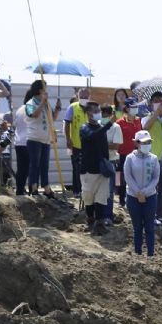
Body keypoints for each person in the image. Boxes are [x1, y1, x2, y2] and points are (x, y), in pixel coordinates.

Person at [79, 103, 117, 235]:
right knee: (89, 198)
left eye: (98, 110)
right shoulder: (84, 128)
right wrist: (109, 125)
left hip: (102, 170)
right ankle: (90, 220)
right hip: (88, 170)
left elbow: (104, 148)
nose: (98, 113)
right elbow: (92, 137)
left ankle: (100, 223)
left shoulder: (101, 128)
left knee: (101, 198)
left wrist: (106, 165)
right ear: (88, 113)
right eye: (95, 111)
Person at [123, 130, 161, 256]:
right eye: (144, 142)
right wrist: (138, 192)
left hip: (150, 196)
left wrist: (145, 191)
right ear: (137, 143)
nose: (147, 144)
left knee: (150, 227)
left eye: (149, 142)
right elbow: (127, 176)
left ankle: (151, 253)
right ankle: (138, 253)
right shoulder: (130, 158)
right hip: (133, 196)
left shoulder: (154, 158)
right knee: (137, 227)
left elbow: (156, 178)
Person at [23, 80, 53, 198]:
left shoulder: (46, 104)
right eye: (45, 88)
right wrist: (42, 103)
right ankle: (33, 187)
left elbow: (52, 118)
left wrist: (57, 109)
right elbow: (33, 114)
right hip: (34, 139)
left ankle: (46, 188)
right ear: (40, 90)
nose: (46, 91)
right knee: (35, 164)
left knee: (45, 165)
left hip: (45, 139)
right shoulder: (30, 103)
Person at [62, 87, 92, 198]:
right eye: (81, 97)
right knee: (77, 168)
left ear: (89, 97)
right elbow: (67, 124)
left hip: (89, 145)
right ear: (78, 96)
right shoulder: (72, 107)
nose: (84, 98)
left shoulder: (92, 108)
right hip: (75, 144)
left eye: (86, 97)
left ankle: (87, 190)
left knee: (88, 168)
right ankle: (77, 190)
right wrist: (68, 139)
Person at [113, 98, 142, 210]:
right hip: (121, 153)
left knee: (134, 176)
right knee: (120, 176)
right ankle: (121, 198)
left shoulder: (138, 120)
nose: (135, 109)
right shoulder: (120, 122)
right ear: (127, 108)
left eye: (136, 107)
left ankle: (133, 197)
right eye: (133, 107)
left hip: (135, 153)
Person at [12, 101, 30, 196]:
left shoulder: (19, 110)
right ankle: (32, 191)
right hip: (28, 142)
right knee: (30, 169)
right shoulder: (31, 108)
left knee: (21, 169)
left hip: (19, 142)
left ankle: (19, 190)